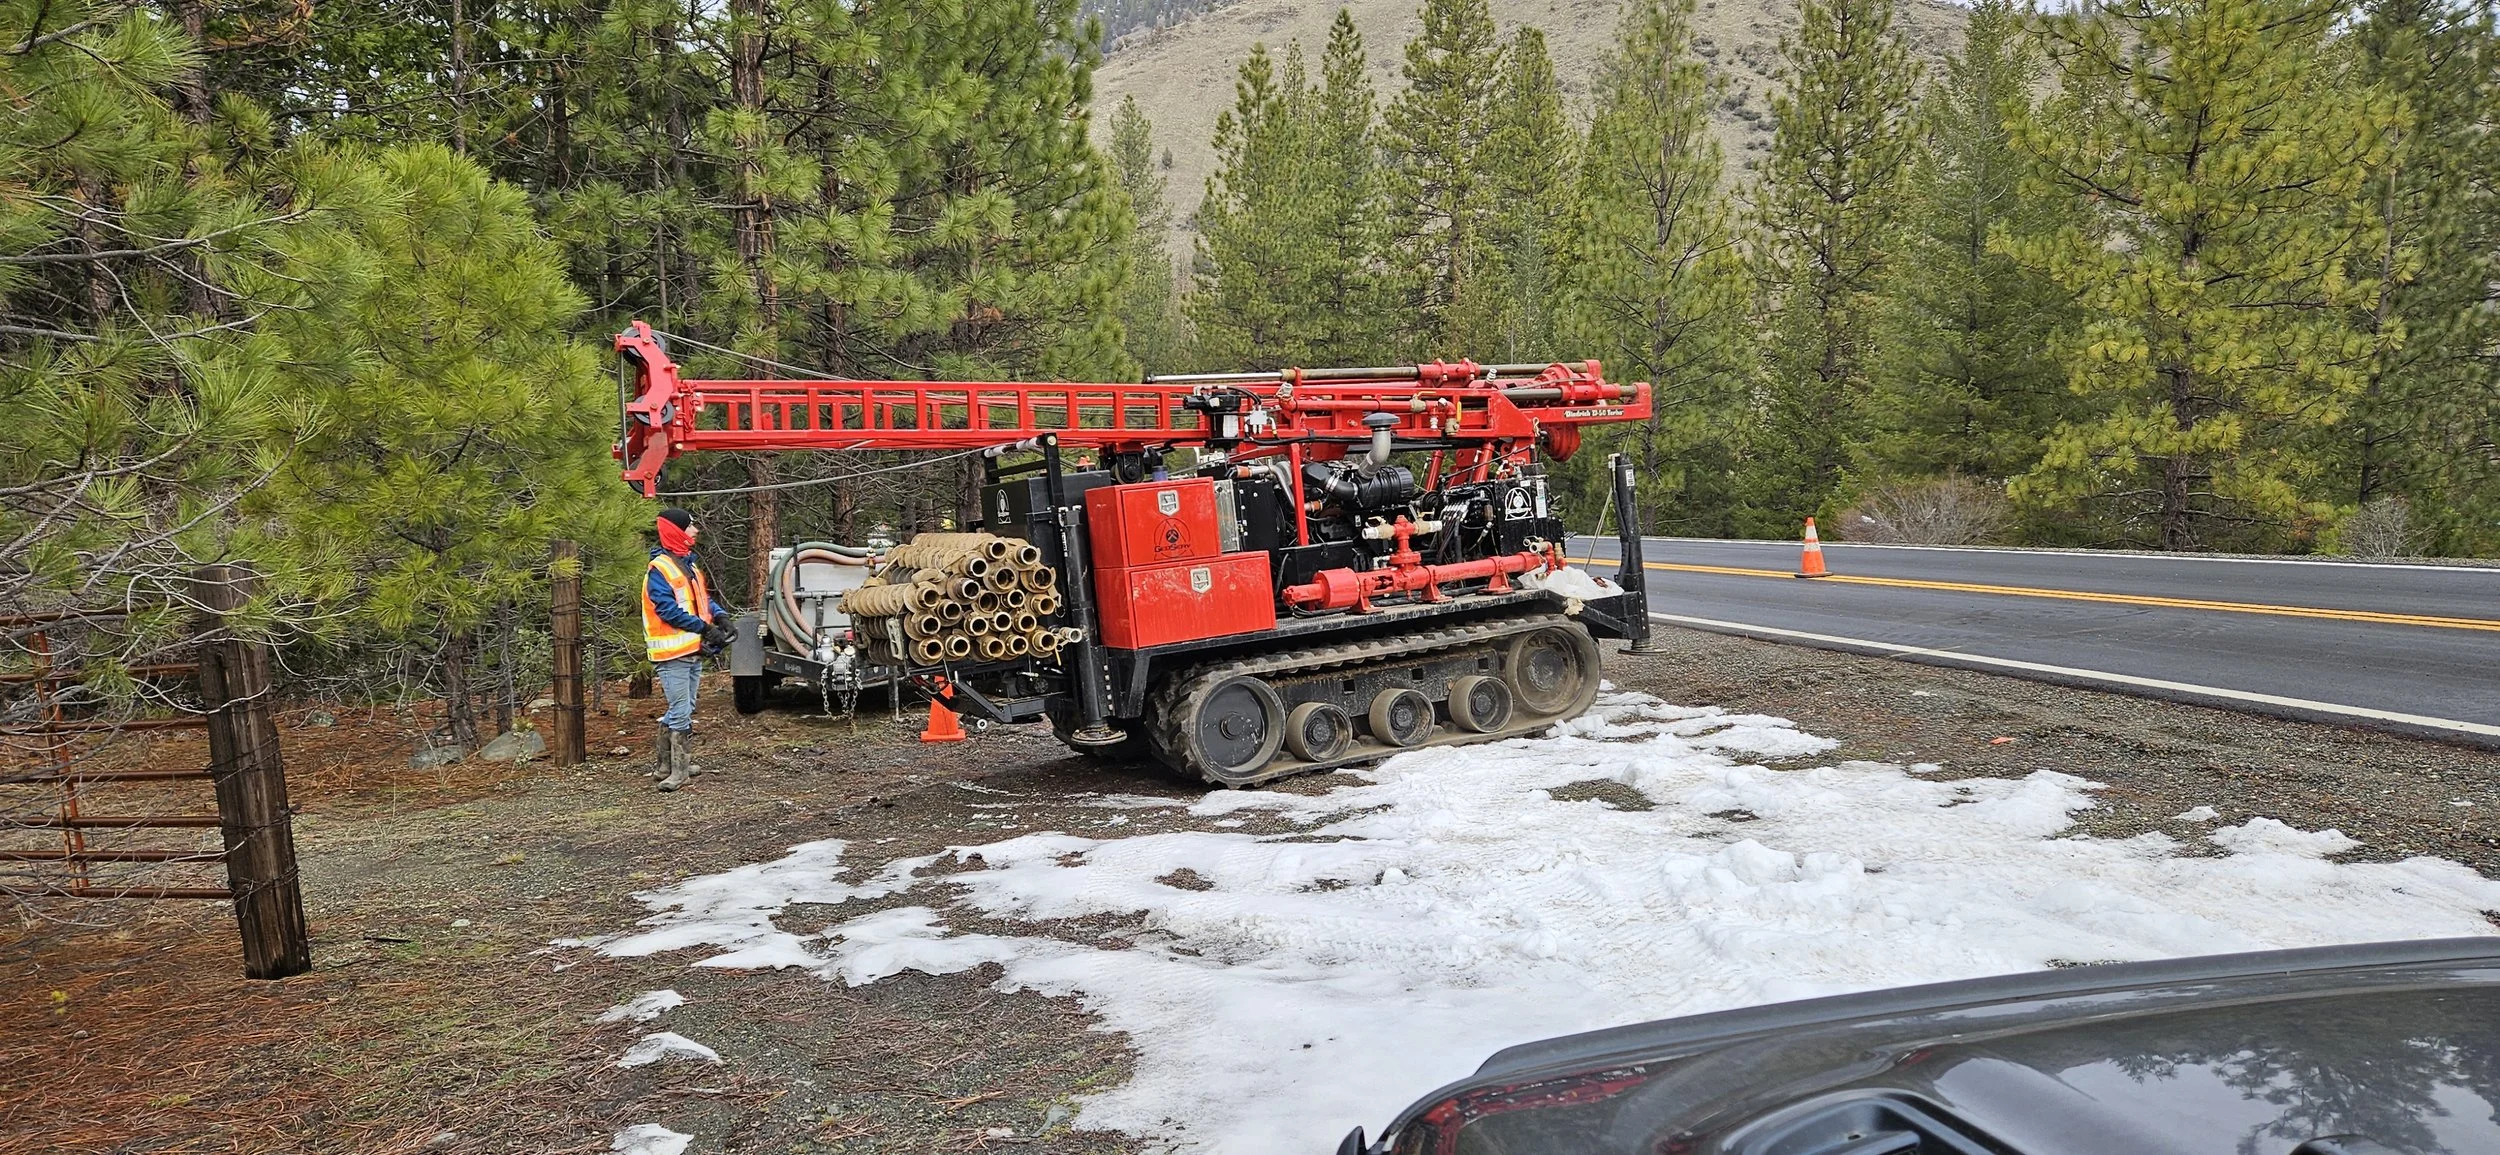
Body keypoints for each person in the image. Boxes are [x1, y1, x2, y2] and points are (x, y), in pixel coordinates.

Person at [642, 508, 732, 791]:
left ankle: (666, 766)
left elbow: (700, 602)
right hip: (672, 654)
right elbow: (667, 611)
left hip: (690, 650)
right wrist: (706, 629)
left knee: (685, 707)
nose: (695, 530)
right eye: (690, 526)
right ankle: (677, 771)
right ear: (676, 530)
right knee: (681, 710)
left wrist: (721, 617)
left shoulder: (688, 565)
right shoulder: (660, 569)